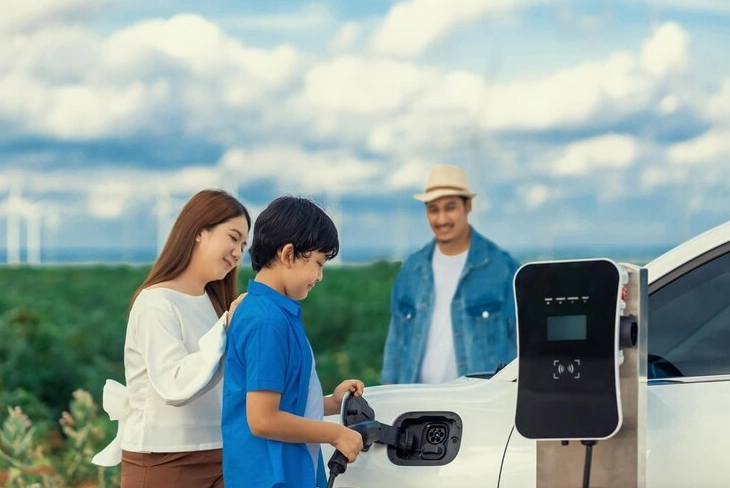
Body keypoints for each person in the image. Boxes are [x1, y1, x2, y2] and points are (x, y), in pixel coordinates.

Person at [92, 189, 251, 488]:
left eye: (243, 245)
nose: (238, 253)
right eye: (232, 237)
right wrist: (226, 326)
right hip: (163, 459)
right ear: (199, 232)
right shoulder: (156, 302)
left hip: (220, 454)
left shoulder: (214, 304)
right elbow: (173, 385)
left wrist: (327, 405)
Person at [221, 196, 364, 488]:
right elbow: (263, 419)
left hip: (291, 472)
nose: (320, 276)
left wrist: (332, 403)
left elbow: (284, 403)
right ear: (288, 254)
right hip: (270, 478)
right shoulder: (266, 322)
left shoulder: (277, 314)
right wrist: (333, 434)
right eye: (318, 264)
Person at [381, 164, 520, 384]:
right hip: (416, 402)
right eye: (433, 209)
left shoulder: (503, 269)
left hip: (479, 403)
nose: (441, 219)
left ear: (468, 206)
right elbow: (395, 344)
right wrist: (388, 396)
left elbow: (522, 346)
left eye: (450, 207)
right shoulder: (411, 269)